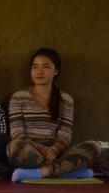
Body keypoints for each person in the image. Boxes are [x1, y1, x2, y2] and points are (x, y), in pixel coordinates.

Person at [7, 48, 105, 182]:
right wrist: (40, 148)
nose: (39, 71)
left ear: (56, 71)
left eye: (45, 67)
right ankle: (65, 172)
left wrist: (53, 150)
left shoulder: (66, 99)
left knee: (94, 147)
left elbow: (65, 135)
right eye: (35, 67)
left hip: (57, 154)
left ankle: (38, 173)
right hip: (31, 152)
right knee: (13, 146)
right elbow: (17, 133)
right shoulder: (18, 97)